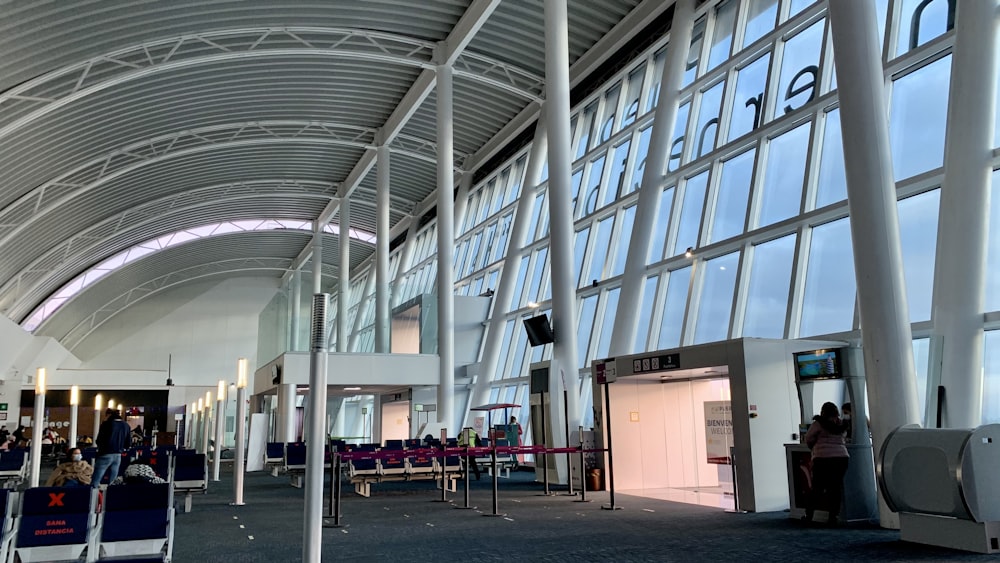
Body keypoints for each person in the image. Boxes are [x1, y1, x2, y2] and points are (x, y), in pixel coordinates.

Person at [804, 402, 849, 525]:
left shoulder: (818, 424)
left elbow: (808, 437)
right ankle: (833, 517)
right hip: (841, 458)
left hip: (822, 458)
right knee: (835, 489)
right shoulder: (842, 424)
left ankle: (809, 516)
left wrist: (813, 446)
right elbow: (844, 437)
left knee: (817, 488)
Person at [92, 408, 130, 488]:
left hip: (105, 453)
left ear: (109, 415)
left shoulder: (106, 424)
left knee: (97, 477)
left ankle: (92, 495)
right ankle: (111, 495)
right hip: (118, 454)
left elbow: (99, 439)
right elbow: (128, 443)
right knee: (113, 479)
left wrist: (100, 446)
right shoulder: (126, 425)